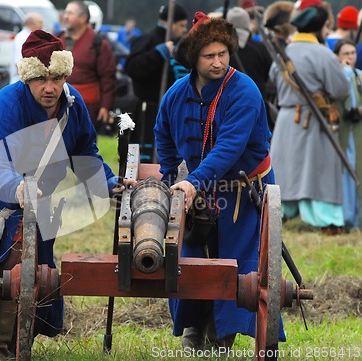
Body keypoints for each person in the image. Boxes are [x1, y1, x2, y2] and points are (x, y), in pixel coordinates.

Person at [0, 29, 133, 360]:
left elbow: (85, 151)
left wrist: (108, 184)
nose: (49, 87)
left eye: (56, 78)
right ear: (28, 77)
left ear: (65, 74)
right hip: (2, 204)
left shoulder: (73, 103)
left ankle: (14, 342)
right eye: (41, 79)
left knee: (35, 276)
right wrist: (18, 187)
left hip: (43, 204)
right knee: (1, 273)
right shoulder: (8, 102)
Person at [154, 12, 282, 351]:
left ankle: (224, 333)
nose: (218, 62)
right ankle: (194, 327)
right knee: (192, 255)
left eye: (222, 54)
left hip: (243, 191)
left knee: (236, 262)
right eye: (209, 56)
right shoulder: (175, 95)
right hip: (197, 191)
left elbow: (229, 147)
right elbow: (162, 135)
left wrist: (194, 182)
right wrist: (171, 178)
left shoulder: (245, 91)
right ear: (194, 59)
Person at [269, 6, 350, 235]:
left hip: (287, 118)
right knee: (319, 172)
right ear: (319, 28)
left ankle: (282, 214)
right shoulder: (324, 54)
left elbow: (273, 79)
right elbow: (340, 88)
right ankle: (326, 221)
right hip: (315, 119)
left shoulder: (285, 53)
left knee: (286, 171)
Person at [125, 2, 188, 163]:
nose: (183, 30)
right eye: (181, 25)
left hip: (172, 110)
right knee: (148, 157)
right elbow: (132, 68)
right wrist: (157, 54)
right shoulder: (146, 40)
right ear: (170, 24)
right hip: (149, 109)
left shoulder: (180, 45)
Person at [59, 1, 116, 131]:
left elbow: (108, 77)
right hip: (57, 105)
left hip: (87, 107)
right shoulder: (57, 39)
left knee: (83, 147)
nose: (65, 16)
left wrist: (105, 106)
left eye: (70, 13)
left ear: (83, 18)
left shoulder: (98, 43)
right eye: (66, 12)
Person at [334, 39, 362, 232]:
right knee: (347, 173)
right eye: (345, 53)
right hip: (343, 133)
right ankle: (348, 219)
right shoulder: (338, 77)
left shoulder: (359, 76)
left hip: (358, 133)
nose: (350, 57)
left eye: (352, 52)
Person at [9, 12, 43, 84]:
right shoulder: (23, 37)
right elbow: (18, 62)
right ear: (30, 24)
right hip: (20, 82)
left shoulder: (29, 36)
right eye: (40, 23)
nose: (42, 26)